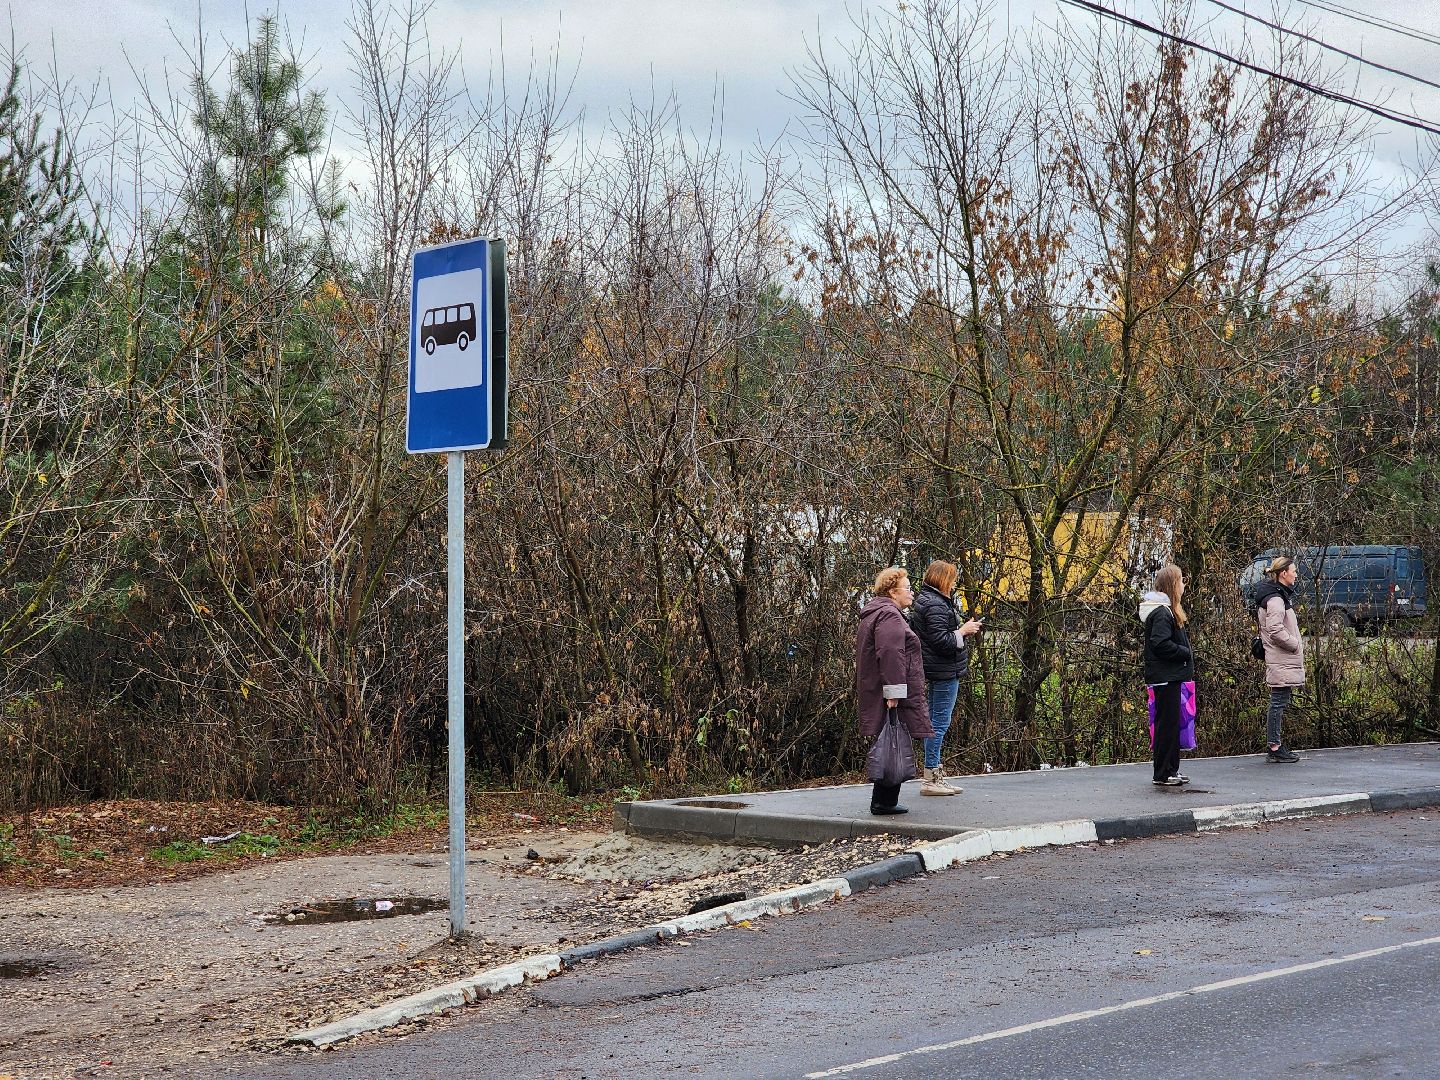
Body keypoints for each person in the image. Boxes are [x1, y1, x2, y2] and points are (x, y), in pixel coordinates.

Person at [855, 567, 934, 815]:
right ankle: (883, 801)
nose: (912, 593)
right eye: (908, 588)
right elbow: (890, 654)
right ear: (892, 591)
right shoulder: (889, 615)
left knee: (892, 739)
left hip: (884, 688)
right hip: (891, 692)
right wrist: (894, 693)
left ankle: (885, 800)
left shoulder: (880, 613)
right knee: (893, 741)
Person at [910, 559, 983, 796]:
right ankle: (931, 776)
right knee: (938, 723)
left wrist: (961, 630)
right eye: (952, 579)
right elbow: (941, 641)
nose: (954, 584)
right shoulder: (936, 604)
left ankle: (934, 774)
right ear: (943, 580)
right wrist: (963, 631)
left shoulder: (927, 600)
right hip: (944, 670)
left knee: (934, 721)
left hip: (937, 668)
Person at [1140, 563, 1194, 787]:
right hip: (1165, 677)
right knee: (1166, 726)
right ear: (1173, 584)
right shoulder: (1162, 613)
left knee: (1172, 724)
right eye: (1181, 581)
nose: (1183, 585)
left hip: (1171, 676)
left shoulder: (1168, 611)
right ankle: (1163, 773)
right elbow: (1160, 643)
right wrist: (1184, 652)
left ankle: (1172, 769)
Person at [1253, 554, 1303, 762]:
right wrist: (1294, 644)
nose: (1296, 574)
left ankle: (1276, 745)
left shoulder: (1278, 594)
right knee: (1278, 702)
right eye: (1293, 571)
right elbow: (1274, 629)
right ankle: (1275, 747)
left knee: (1280, 701)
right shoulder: (1275, 598)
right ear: (1283, 574)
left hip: (1283, 658)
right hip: (1282, 657)